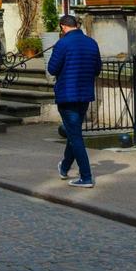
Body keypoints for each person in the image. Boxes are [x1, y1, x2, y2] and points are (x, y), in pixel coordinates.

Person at [48, 14, 102, 188]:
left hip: (67, 94)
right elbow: (97, 69)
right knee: (74, 132)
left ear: (63, 27)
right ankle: (64, 167)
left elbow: (52, 68)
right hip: (84, 93)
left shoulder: (62, 43)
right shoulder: (92, 43)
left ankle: (86, 176)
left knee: (75, 136)